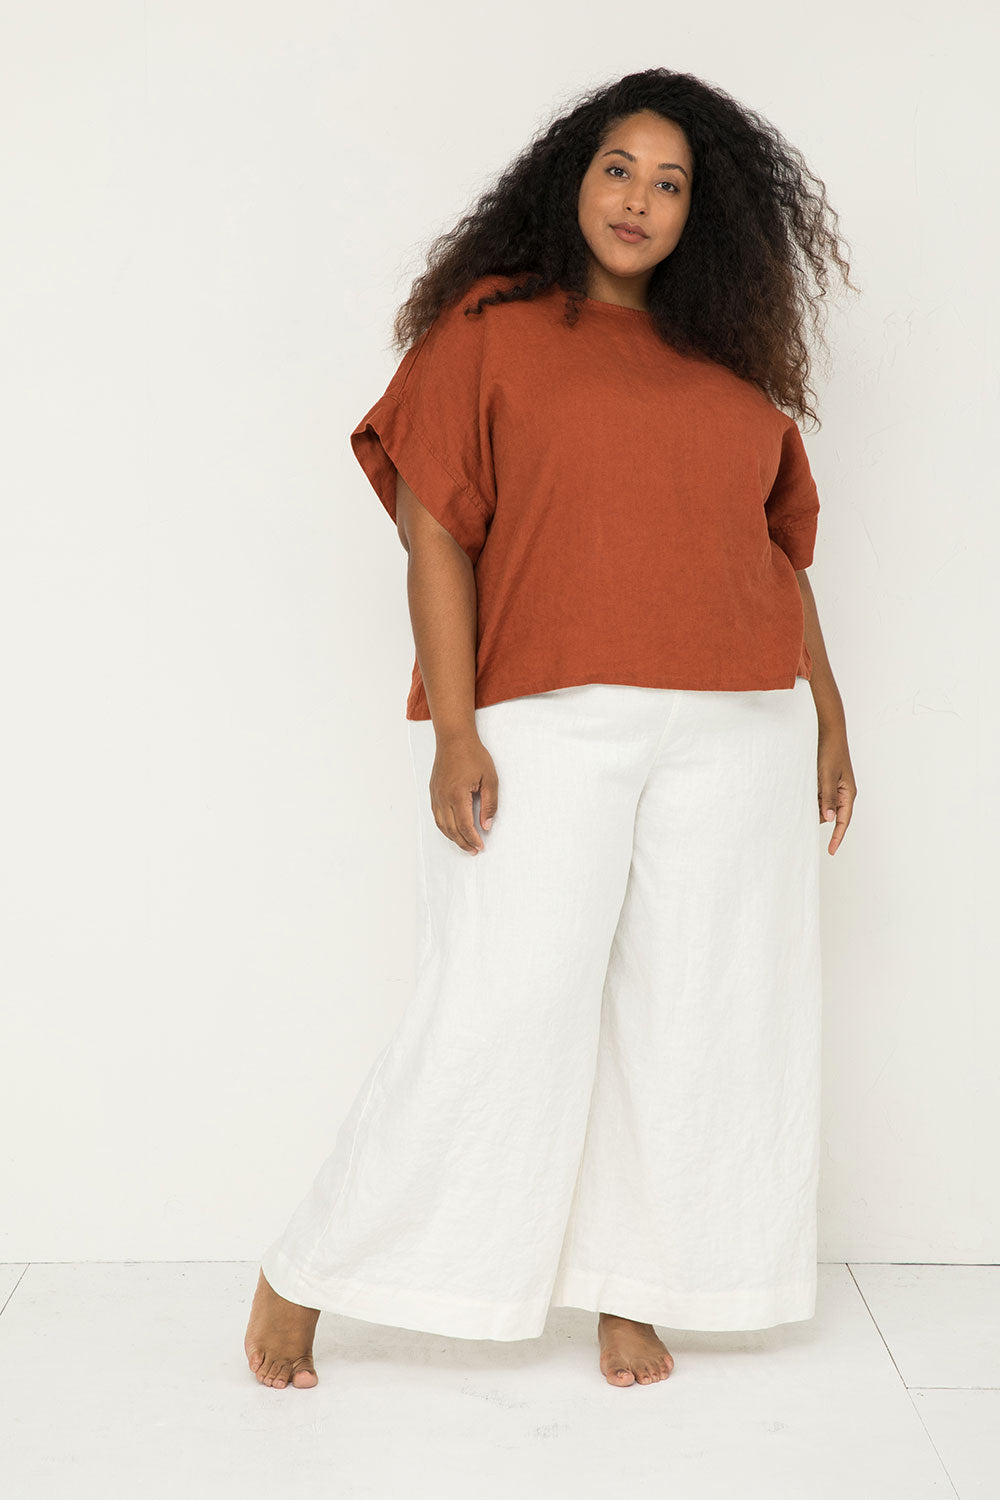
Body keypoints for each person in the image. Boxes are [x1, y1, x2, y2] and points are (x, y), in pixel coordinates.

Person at [244, 67, 858, 1391]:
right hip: (551, 720)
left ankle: (639, 1290)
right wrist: (455, 730)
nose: (639, 200)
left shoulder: (729, 367)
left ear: (703, 217)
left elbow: (777, 555)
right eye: (618, 169)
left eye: (670, 184)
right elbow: (435, 531)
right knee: (502, 1001)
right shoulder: (490, 327)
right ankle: (312, 1264)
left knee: (702, 1015)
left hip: (739, 725)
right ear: (571, 177)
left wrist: (830, 714)